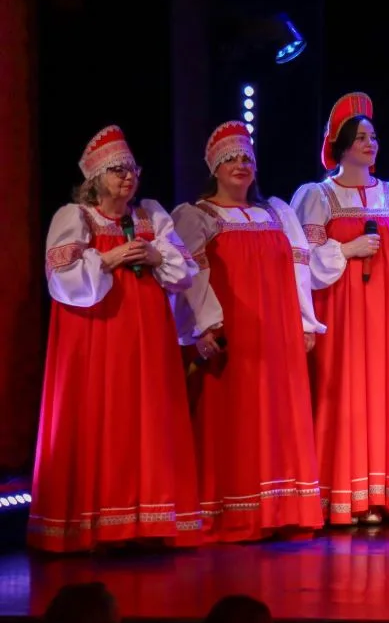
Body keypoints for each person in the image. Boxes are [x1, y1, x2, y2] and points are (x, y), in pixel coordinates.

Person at [29, 126, 203, 551]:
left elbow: (184, 271)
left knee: (148, 416)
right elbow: (62, 279)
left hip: (147, 335)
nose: (128, 177)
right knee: (102, 414)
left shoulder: (150, 217)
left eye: (131, 169)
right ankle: (100, 524)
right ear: (95, 178)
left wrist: (156, 255)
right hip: (98, 335)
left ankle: (149, 521)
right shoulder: (76, 217)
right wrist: (107, 259)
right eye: (117, 170)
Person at [172, 121, 325, 542]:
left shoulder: (277, 212)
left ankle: (281, 510)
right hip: (234, 334)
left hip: (278, 331)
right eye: (230, 159)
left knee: (278, 416)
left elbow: (299, 270)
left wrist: (305, 321)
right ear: (214, 169)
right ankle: (234, 511)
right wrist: (199, 328)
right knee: (235, 418)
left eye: (246, 158)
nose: (240, 165)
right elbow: (190, 278)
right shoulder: (199, 216)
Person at [292, 92, 389, 525]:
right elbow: (303, 263)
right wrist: (346, 249)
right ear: (342, 144)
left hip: (385, 313)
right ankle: (343, 495)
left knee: (384, 395)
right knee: (345, 396)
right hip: (342, 312)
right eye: (360, 137)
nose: (370, 144)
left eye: (373, 136)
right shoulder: (319, 195)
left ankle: (377, 495)